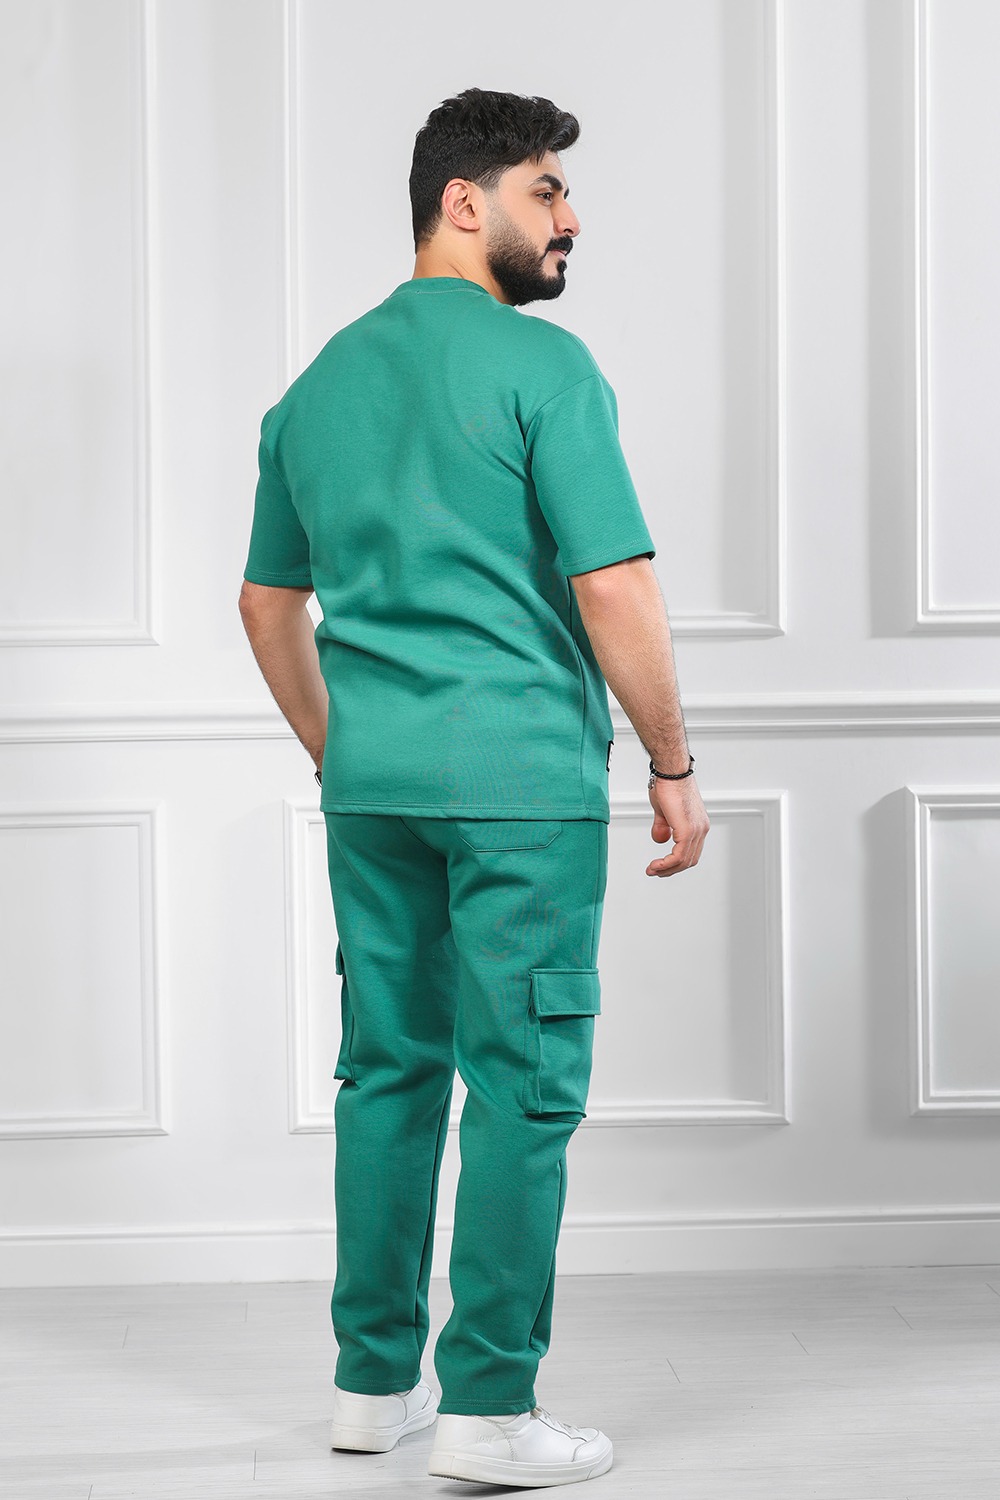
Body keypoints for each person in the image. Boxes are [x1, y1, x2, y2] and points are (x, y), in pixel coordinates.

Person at [239, 86, 709, 1489]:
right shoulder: (542, 365)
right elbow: (615, 583)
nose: (571, 218)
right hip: (517, 785)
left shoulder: (315, 387)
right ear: (464, 201)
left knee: (388, 1074)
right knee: (522, 1086)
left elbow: (267, 604)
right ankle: (491, 1410)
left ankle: (369, 1386)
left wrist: (337, 749)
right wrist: (674, 764)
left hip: (373, 790)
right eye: (546, 190)